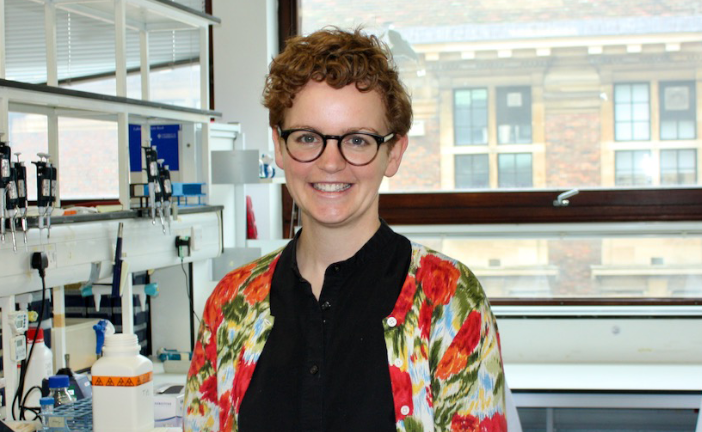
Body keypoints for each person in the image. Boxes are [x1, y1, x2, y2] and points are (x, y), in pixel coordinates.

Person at [184, 27, 506, 432]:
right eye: (307, 137)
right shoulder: (230, 305)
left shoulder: (446, 299)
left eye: (356, 140)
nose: (331, 162)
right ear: (280, 148)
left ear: (394, 152)